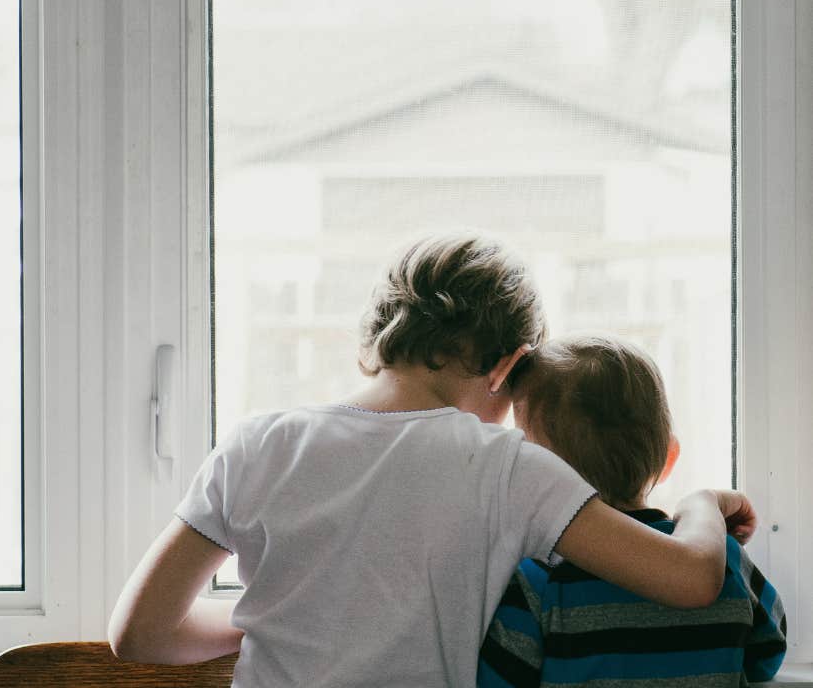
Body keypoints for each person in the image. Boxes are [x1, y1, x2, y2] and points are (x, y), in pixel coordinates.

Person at [108, 233, 754, 687]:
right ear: (507, 366)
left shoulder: (258, 443)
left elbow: (140, 633)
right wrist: (702, 502)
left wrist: (280, 614)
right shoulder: (507, 468)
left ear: (380, 335)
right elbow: (692, 580)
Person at [479, 333, 786, 688]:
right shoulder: (722, 559)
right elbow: (768, 654)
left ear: (540, 473)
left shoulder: (537, 580)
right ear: (669, 457)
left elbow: (496, 680)